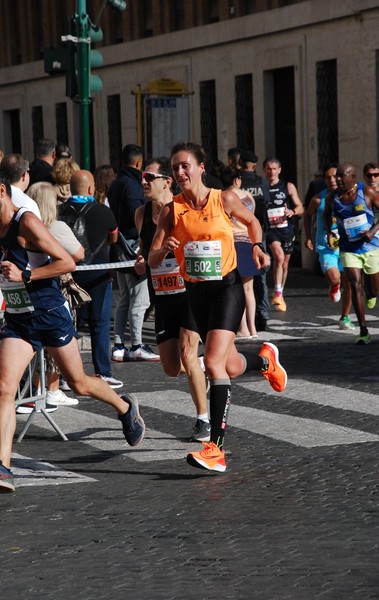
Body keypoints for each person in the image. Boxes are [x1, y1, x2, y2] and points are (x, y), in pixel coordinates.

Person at [0, 167, 144, 494]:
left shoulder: (27, 223)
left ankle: (125, 408)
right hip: (20, 319)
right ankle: (3, 467)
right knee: (4, 389)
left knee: (79, 383)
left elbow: (68, 261)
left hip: (50, 313)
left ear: (1, 191)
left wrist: (26, 274)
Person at [148, 142, 287, 473]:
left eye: (185, 166)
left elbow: (253, 223)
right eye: (175, 167)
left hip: (227, 288)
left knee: (211, 362)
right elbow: (150, 260)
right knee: (232, 366)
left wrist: (256, 247)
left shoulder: (222, 198)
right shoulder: (171, 210)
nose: (180, 172)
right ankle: (264, 359)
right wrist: (163, 248)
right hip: (195, 294)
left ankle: (216, 448)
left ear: (200, 167)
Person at [134, 157, 210, 442]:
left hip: (189, 292)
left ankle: (203, 420)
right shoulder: (141, 215)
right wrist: (142, 263)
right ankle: (203, 369)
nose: (143, 182)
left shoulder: (183, 209)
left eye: (149, 177)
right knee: (170, 366)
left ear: (166, 181)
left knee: (189, 353)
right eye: (142, 177)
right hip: (162, 296)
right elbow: (144, 253)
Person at [58, 170, 123, 389]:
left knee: (68, 325)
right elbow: (113, 238)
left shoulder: (60, 211)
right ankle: (102, 372)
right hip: (99, 275)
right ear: (90, 188)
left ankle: (67, 375)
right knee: (100, 324)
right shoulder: (103, 211)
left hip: (67, 273)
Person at [26, 181, 84, 407]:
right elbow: (78, 254)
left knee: (34, 341)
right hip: (55, 288)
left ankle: (35, 388)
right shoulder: (55, 227)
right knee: (58, 339)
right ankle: (52, 388)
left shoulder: (24, 227)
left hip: (30, 289)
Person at [108, 144, 159, 362]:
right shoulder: (133, 185)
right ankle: (137, 344)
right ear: (138, 163)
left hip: (119, 247)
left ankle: (119, 345)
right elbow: (135, 215)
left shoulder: (115, 183)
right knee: (140, 299)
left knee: (125, 300)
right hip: (132, 247)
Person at [324, 163, 379, 345]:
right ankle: (363, 330)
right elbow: (326, 215)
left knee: (372, 288)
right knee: (355, 285)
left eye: (342, 176)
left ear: (353, 178)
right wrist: (329, 232)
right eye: (336, 176)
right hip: (348, 248)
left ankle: (372, 294)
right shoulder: (333, 198)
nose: (337, 179)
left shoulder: (367, 192)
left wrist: (371, 231)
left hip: (371, 246)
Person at [304, 163, 354, 330]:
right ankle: (333, 285)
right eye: (329, 177)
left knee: (349, 283)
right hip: (326, 247)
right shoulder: (318, 199)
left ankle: (345, 317)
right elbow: (307, 216)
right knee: (335, 278)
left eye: (335, 176)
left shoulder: (349, 197)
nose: (332, 180)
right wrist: (308, 237)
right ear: (324, 180)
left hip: (346, 246)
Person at [219, 165, 259, 339]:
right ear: (237, 179)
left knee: (236, 289)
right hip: (249, 242)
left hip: (231, 244)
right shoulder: (248, 196)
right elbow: (252, 219)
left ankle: (242, 328)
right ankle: (253, 328)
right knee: (249, 289)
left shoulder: (221, 198)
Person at [263, 157, 304, 312]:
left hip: (287, 229)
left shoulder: (288, 186)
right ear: (264, 170)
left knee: (284, 263)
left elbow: (301, 207)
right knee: (278, 257)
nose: (271, 171)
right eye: (268, 168)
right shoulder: (262, 187)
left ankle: (279, 292)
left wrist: (292, 211)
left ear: (279, 170)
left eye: (274, 169)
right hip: (270, 230)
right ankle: (278, 292)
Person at [238, 149, 271, 331]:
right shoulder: (261, 182)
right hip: (259, 233)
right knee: (261, 278)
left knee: (242, 281)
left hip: (240, 235)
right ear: (255, 166)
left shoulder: (238, 183)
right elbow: (265, 205)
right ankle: (263, 315)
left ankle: (244, 322)